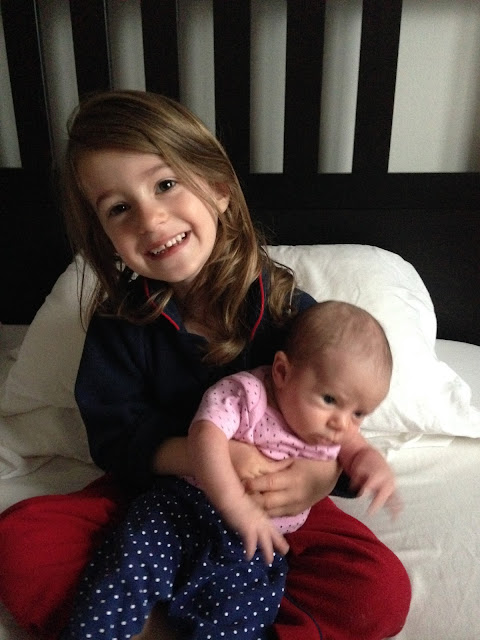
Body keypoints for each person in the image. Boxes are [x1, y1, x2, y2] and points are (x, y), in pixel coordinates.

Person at [0, 90, 411, 640]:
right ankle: (154, 615)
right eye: (119, 208)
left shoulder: (292, 315)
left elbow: (340, 418)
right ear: (106, 237)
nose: (150, 218)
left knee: (378, 591)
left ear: (218, 188)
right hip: (158, 500)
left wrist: (321, 477)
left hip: (275, 500)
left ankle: (199, 614)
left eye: (165, 184)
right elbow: (116, 439)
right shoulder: (120, 325)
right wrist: (210, 458)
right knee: (19, 542)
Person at [61, 301, 400, 639]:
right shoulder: (249, 393)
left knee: (239, 612)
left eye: (359, 414)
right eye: (329, 400)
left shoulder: (335, 423)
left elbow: (354, 447)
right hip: (184, 506)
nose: (342, 424)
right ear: (282, 372)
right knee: (128, 563)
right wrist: (235, 503)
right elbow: (205, 435)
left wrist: (369, 463)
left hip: (252, 539)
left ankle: (177, 620)